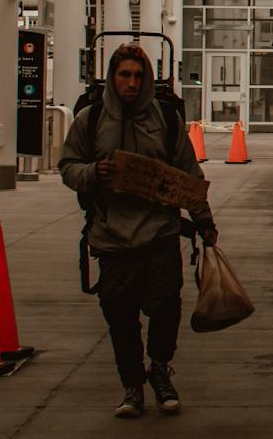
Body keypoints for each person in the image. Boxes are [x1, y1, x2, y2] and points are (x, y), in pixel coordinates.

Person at [60, 42, 215, 419]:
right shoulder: (90, 120)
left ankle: (160, 369)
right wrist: (93, 173)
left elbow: (188, 172)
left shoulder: (164, 117)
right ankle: (132, 384)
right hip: (111, 238)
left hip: (159, 232)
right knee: (120, 316)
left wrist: (204, 220)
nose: (131, 83)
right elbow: (67, 167)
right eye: (124, 75)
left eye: (138, 76)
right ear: (112, 79)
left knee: (165, 309)